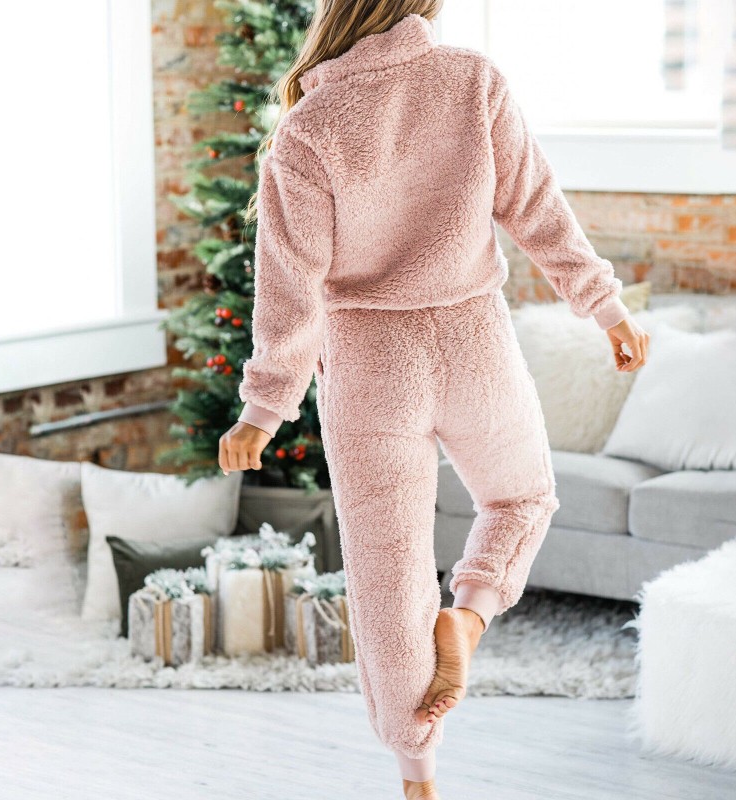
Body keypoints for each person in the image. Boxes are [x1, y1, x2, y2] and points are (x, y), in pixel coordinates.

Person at [218, 2, 649, 798]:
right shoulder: (471, 80)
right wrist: (606, 307)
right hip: (473, 340)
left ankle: (417, 773)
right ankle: (470, 617)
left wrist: (263, 409)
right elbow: (537, 208)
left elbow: (291, 289)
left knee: (388, 577)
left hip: (369, 365)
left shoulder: (309, 127)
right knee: (521, 498)